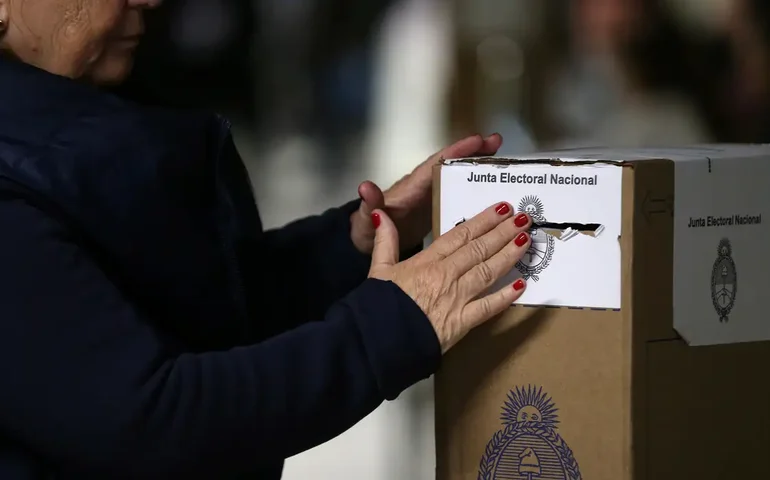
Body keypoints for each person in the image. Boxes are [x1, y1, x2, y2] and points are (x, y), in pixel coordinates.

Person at [0, 0, 534, 478]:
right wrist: (394, 325)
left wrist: (359, 243)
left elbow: (191, 318)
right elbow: (156, 420)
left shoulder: (73, 138)